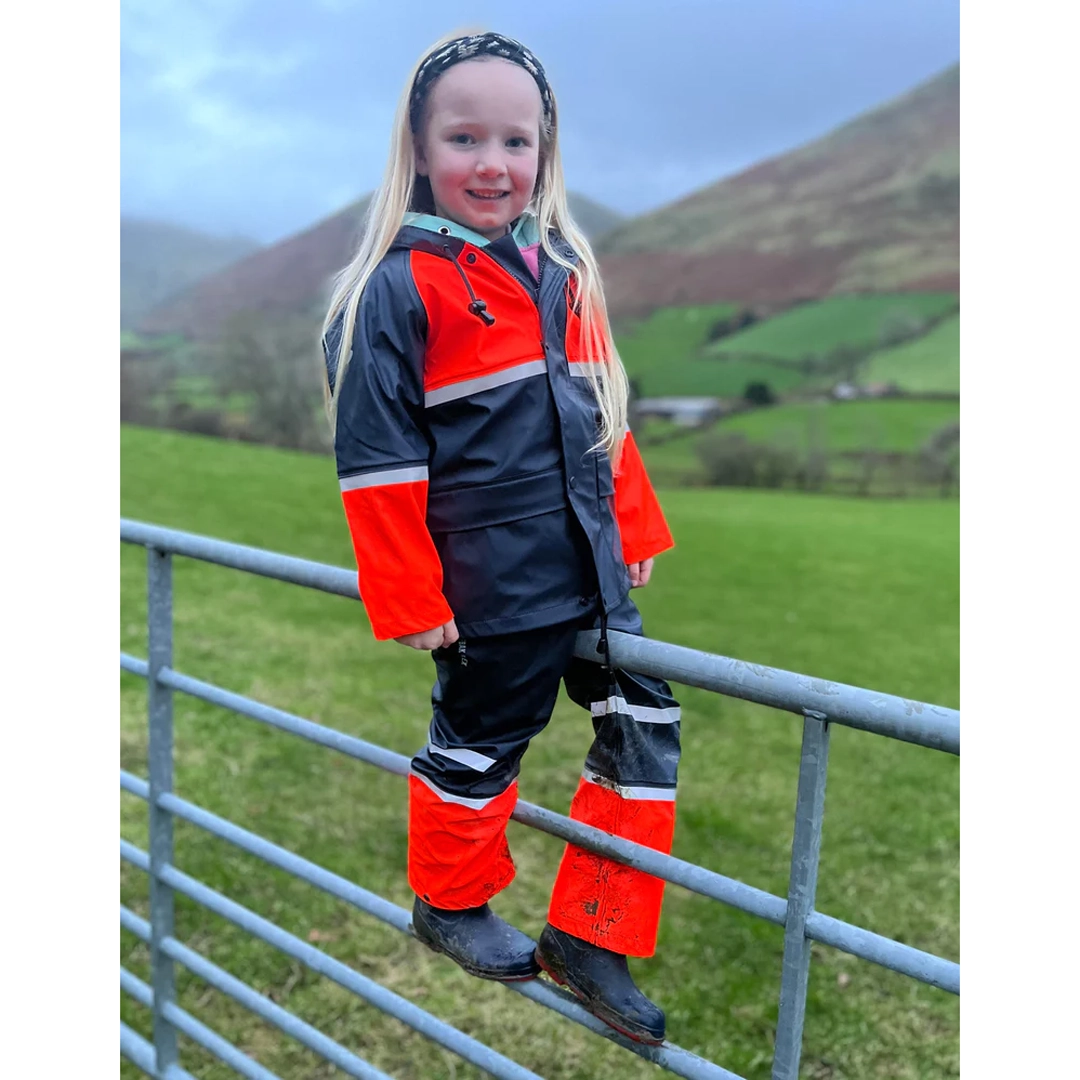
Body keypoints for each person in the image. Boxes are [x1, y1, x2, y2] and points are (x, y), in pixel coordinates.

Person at [321, 30, 680, 1046]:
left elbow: (603, 414)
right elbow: (378, 461)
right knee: (482, 744)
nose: (493, 164)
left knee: (645, 732)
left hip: (593, 571)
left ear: (544, 152)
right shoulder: (397, 288)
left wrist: (632, 523)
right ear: (418, 147)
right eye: (465, 138)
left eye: (517, 142)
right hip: (492, 582)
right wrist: (410, 595)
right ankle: (449, 900)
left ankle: (593, 932)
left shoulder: (562, 269)